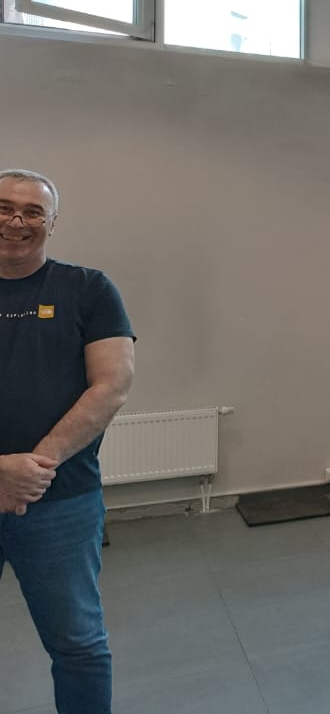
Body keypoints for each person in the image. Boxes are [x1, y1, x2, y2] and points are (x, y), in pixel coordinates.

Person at [0, 169, 136, 714]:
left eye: (33, 211)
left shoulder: (88, 289)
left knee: (78, 645)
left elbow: (112, 385)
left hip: (59, 499)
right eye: (4, 207)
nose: (17, 221)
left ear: (52, 223)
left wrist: (33, 467)